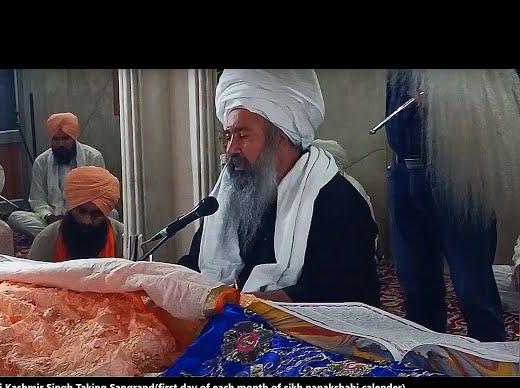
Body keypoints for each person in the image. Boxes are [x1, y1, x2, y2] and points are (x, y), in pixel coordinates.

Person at [179, 69, 380, 306]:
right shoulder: (228, 197)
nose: (231, 149)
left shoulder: (339, 202)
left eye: (243, 136)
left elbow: (338, 296)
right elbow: (197, 262)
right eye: (228, 136)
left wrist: (236, 305)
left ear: (281, 137)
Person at [385, 69, 520, 341]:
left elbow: (503, 97)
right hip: (403, 169)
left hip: (459, 172)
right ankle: (427, 360)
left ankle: (490, 361)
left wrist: (452, 102)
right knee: (415, 285)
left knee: (473, 289)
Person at [8, 112, 106, 238]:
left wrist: (79, 214)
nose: (60, 144)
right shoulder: (41, 161)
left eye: (65, 139)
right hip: (52, 220)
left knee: (112, 214)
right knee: (15, 217)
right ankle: (66, 236)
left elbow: (99, 196)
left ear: (74, 138)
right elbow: (37, 199)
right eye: (56, 139)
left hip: (84, 217)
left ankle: (55, 238)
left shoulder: (93, 157)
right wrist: (48, 216)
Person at [28, 166, 123, 262]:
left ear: (106, 213)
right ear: (71, 207)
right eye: (81, 211)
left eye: (96, 214)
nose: (87, 221)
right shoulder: (47, 239)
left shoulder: (122, 237)